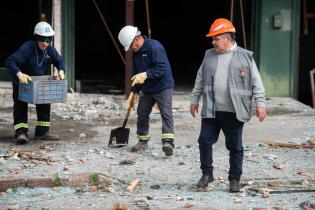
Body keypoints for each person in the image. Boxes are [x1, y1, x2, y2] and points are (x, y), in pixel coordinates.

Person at [190, 18, 266, 192]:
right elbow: (200, 79)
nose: (213, 42)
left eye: (216, 39)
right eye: (213, 39)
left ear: (227, 39)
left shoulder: (245, 56)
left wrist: (260, 104)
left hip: (234, 112)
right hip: (212, 109)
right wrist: (194, 100)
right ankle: (207, 174)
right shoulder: (208, 55)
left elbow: (257, 83)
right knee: (204, 141)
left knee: (235, 147)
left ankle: (234, 179)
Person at [118, 25, 175, 156]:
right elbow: (136, 74)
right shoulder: (136, 53)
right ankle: (143, 141)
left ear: (137, 38)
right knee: (142, 113)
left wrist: (145, 75)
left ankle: (168, 142)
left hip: (163, 86)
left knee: (166, 113)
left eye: (132, 45)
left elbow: (163, 68)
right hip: (148, 88)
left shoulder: (154, 47)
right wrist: (134, 91)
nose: (131, 48)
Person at [5, 21, 65, 144]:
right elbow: (10, 61)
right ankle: (21, 133)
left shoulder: (50, 50)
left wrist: (61, 70)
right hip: (23, 83)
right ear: (37, 38)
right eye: (42, 40)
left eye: (48, 41)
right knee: (20, 106)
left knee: (44, 104)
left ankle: (42, 132)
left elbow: (59, 61)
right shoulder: (27, 48)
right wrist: (19, 73)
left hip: (39, 84)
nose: (45, 43)